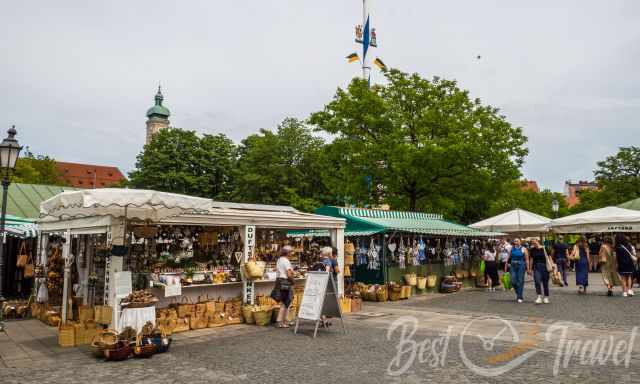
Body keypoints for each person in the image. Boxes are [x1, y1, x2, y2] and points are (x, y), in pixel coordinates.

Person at [275, 246, 294, 328]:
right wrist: (293, 281)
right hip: (285, 281)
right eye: (291, 252)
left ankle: (285, 320)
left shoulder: (279, 259)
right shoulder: (286, 261)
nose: (292, 254)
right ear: (288, 252)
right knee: (286, 301)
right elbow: (289, 274)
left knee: (285, 301)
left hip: (279, 281)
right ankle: (282, 321)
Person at [505, 238, 530, 303]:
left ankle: (520, 296)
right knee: (512, 281)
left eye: (517, 241)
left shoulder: (524, 249)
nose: (515, 242)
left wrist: (528, 268)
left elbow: (527, 259)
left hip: (521, 265)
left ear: (520, 242)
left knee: (520, 281)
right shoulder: (512, 249)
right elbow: (508, 258)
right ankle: (518, 292)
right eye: (515, 241)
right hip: (513, 265)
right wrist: (506, 265)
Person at [529, 239, 550, 304]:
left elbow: (549, 257)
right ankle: (539, 296)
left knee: (545, 283)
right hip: (536, 267)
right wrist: (530, 268)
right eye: (532, 243)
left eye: (534, 242)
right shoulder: (532, 250)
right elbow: (531, 259)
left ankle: (546, 297)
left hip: (545, 267)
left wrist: (552, 265)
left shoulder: (544, 248)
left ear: (538, 241)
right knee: (537, 281)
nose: (534, 243)